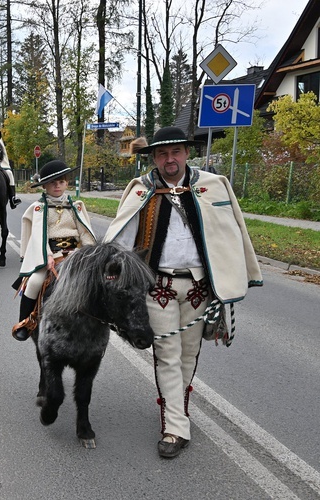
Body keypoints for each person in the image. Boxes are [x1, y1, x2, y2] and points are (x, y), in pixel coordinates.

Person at [103, 126, 263, 458]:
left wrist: (237, 275)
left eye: (175, 152)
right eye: (162, 154)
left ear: (187, 153)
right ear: (155, 159)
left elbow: (232, 234)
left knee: (188, 356)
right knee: (167, 356)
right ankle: (175, 427)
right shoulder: (141, 191)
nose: (169, 159)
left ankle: (179, 411)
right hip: (158, 287)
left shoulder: (212, 187)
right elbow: (121, 239)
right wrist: (108, 276)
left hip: (200, 288)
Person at [12, 160, 96, 341]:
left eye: (61, 181)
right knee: (35, 281)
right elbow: (38, 236)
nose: (57, 185)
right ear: (44, 186)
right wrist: (47, 256)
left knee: (97, 281)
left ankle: (103, 321)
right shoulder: (39, 208)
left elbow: (85, 233)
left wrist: (86, 254)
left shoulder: (77, 206)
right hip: (50, 254)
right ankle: (25, 322)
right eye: (52, 182)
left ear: (67, 183)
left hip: (76, 255)